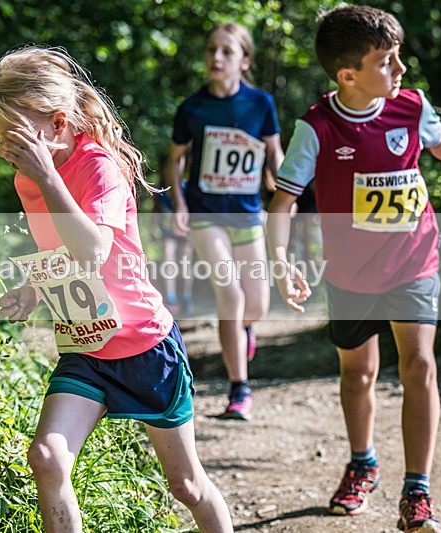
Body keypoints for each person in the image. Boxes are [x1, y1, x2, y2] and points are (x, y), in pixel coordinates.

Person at [0, 46, 234, 533]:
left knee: (186, 486)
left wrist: (48, 178)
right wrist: (33, 290)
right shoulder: (28, 179)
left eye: (10, 135)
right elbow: (61, 252)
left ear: (57, 123)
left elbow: (93, 250)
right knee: (47, 457)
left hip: (145, 347)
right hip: (87, 347)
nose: (2, 149)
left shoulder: (99, 168)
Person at [266, 6, 441, 533]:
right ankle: (363, 463)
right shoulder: (317, 127)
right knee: (358, 373)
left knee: (420, 365)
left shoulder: (411, 107)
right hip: (350, 275)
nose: (400, 68)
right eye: (387, 61)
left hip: (414, 260)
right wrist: (280, 261)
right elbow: (284, 202)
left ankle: (418, 491)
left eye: (398, 56)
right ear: (348, 74)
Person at [166, 22, 284, 420]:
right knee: (230, 295)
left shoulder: (261, 103)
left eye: (227, 51)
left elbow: (274, 153)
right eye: (211, 49)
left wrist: (285, 191)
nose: (216, 57)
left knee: (257, 306)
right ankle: (239, 389)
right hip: (205, 214)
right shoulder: (192, 107)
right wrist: (179, 203)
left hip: (247, 213)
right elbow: (175, 160)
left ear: (244, 60)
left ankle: (243, 330)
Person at [153, 166, 195, 315]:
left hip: (185, 230)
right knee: (168, 257)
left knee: (186, 263)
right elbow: (156, 209)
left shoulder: (186, 186)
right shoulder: (160, 188)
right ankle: (171, 298)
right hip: (168, 230)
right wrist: (153, 228)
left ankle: (186, 297)